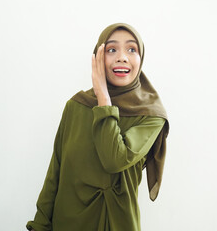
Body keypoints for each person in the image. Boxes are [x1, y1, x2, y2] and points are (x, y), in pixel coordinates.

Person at [26, 23, 170, 231]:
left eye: (132, 49)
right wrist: (39, 225)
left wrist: (103, 98)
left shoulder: (150, 115)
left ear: (141, 58)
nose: (122, 57)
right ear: (98, 58)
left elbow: (114, 159)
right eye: (112, 49)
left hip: (118, 224)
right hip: (68, 223)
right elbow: (54, 174)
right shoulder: (76, 106)